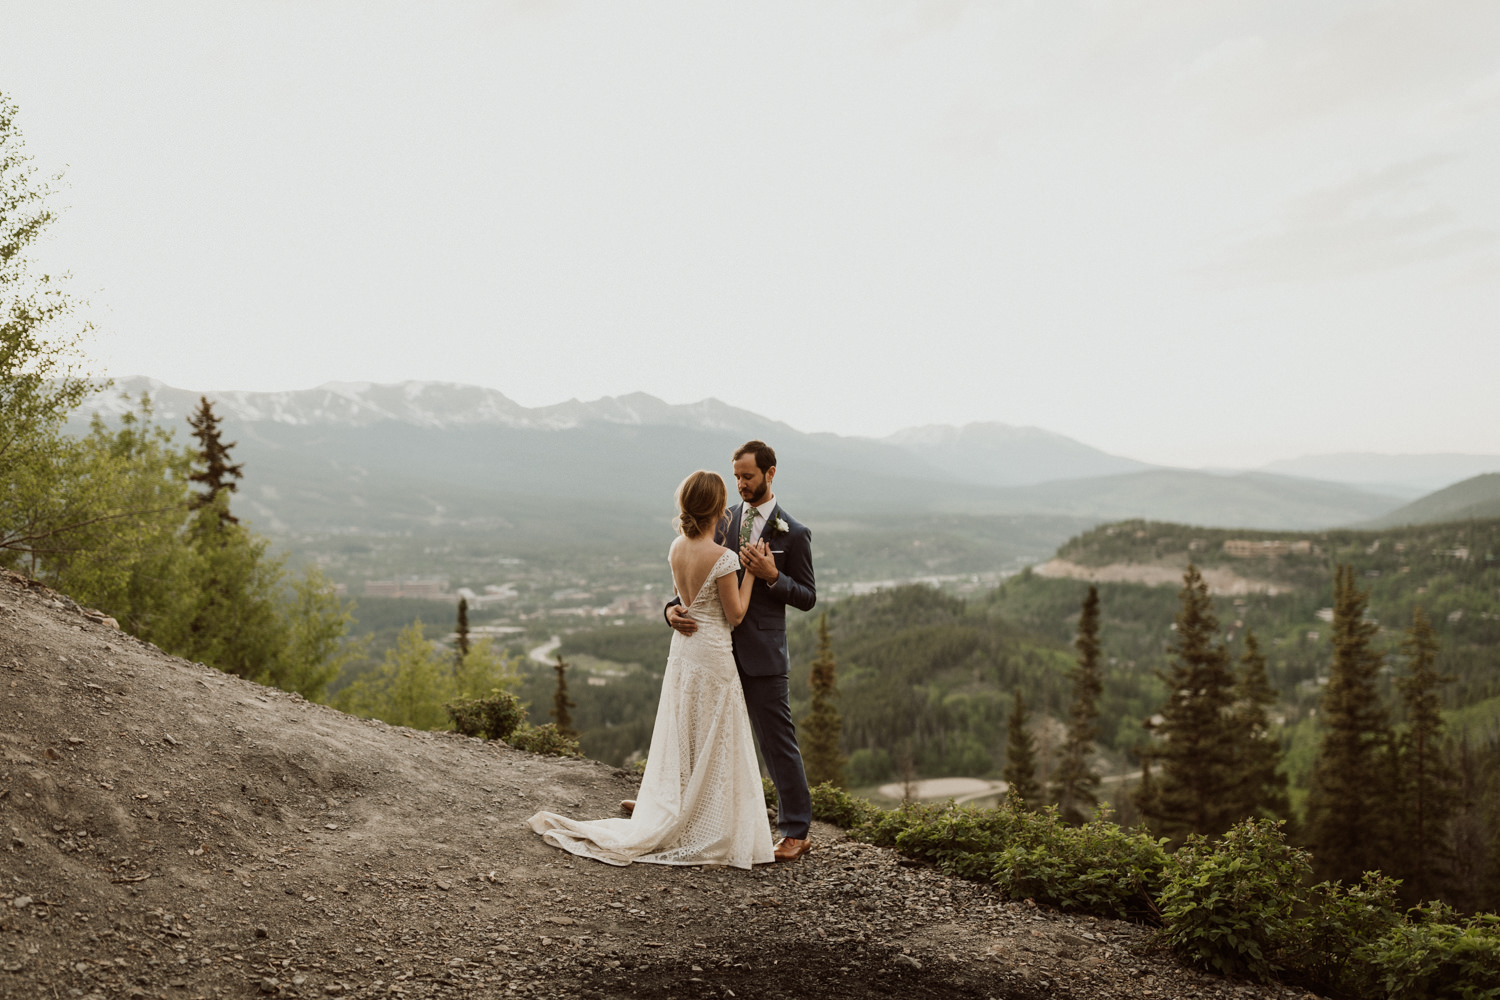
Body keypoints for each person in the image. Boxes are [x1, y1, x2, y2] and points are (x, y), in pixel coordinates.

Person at [527, 470, 775, 868]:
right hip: (712, 652)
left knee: (684, 730)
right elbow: (737, 615)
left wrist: (673, 610)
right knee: (715, 733)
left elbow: (683, 599)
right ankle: (709, 820)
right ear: (718, 509)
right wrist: (751, 577)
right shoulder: (725, 558)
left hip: (683, 651)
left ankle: (683, 809)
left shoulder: (677, 547)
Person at [657, 440, 817, 861]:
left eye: (748, 476)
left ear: (770, 473)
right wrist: (671, 610)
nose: (741, 484)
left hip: (761, 654)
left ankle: (795, 829)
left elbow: (807, 596)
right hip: (712, 652)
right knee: (695, 732)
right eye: (737, 477)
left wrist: (771, 575)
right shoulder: (719, 520)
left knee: (776, 742)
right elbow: (688, 580)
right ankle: (675, 810)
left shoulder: (794, 533)